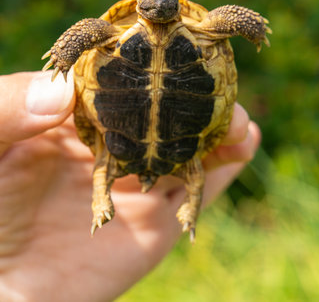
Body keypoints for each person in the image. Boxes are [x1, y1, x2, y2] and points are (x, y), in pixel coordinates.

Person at [0, 71, 261, 302]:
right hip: (164, 141)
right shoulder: (122, 29)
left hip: (170, 140)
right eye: (149, 8)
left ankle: (187, 210)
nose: (158, 11)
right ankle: (103, 203)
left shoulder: (201, 28)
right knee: (183, 167)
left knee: (115, 163)